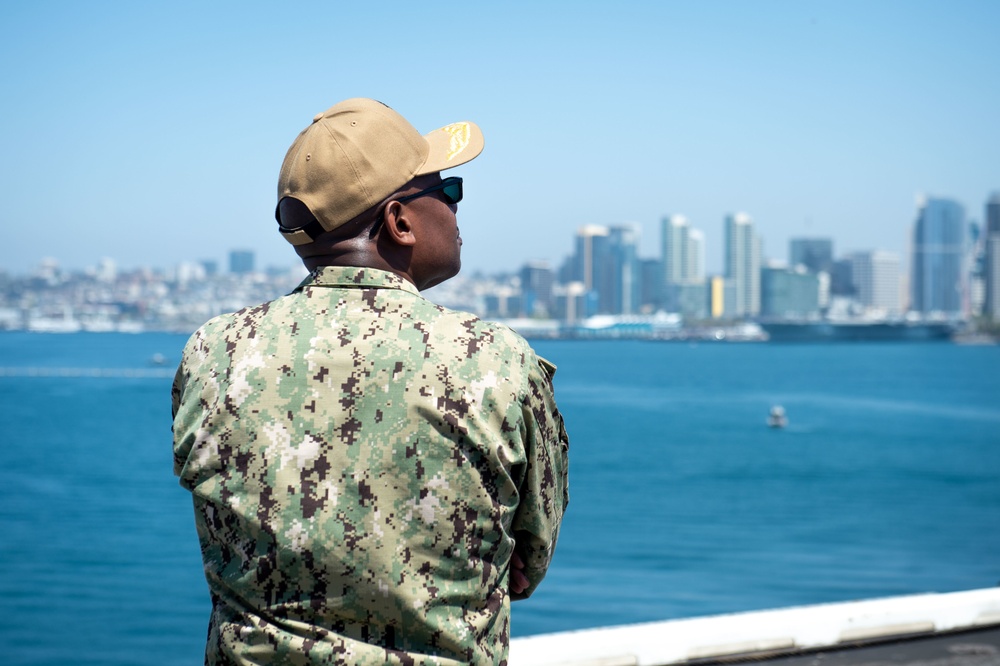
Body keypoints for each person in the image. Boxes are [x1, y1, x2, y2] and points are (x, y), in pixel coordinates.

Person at [171, 98, 569, 665]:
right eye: (448, 191)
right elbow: (528, 560)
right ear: (399, 222)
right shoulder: (495, 361)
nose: (456, 208)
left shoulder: (214, 352)